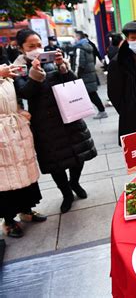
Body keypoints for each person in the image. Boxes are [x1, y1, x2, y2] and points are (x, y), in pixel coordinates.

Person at [13, 29, 97, 213]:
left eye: (38, 44)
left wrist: (63, 67)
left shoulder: (51, 59)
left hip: (68, 115)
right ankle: (66, 193)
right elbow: (25, 92)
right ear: (21, 48)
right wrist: (34, 73)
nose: (36, 49)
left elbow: (73, 82)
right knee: (55, 163)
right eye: (30, 46)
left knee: (78, 155)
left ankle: (74, 182)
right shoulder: (18, 68)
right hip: (44, 123)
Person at [0, 64, 47, 238]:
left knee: (24, 172)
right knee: (5, 179)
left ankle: (27, 211)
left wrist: (19, 111)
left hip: (15, 127)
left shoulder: (6, 69)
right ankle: (9, 220)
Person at [72, 31, 107, 119]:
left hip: (84, 75)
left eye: (75, 37)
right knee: (91, 93)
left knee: (92, 94)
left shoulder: (80, 48)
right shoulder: (88, 46)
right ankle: (98, 110)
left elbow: (79, 64)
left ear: (78, 37)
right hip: (90, 73)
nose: (74, 39)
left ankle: (102, 111)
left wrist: (75, 75)